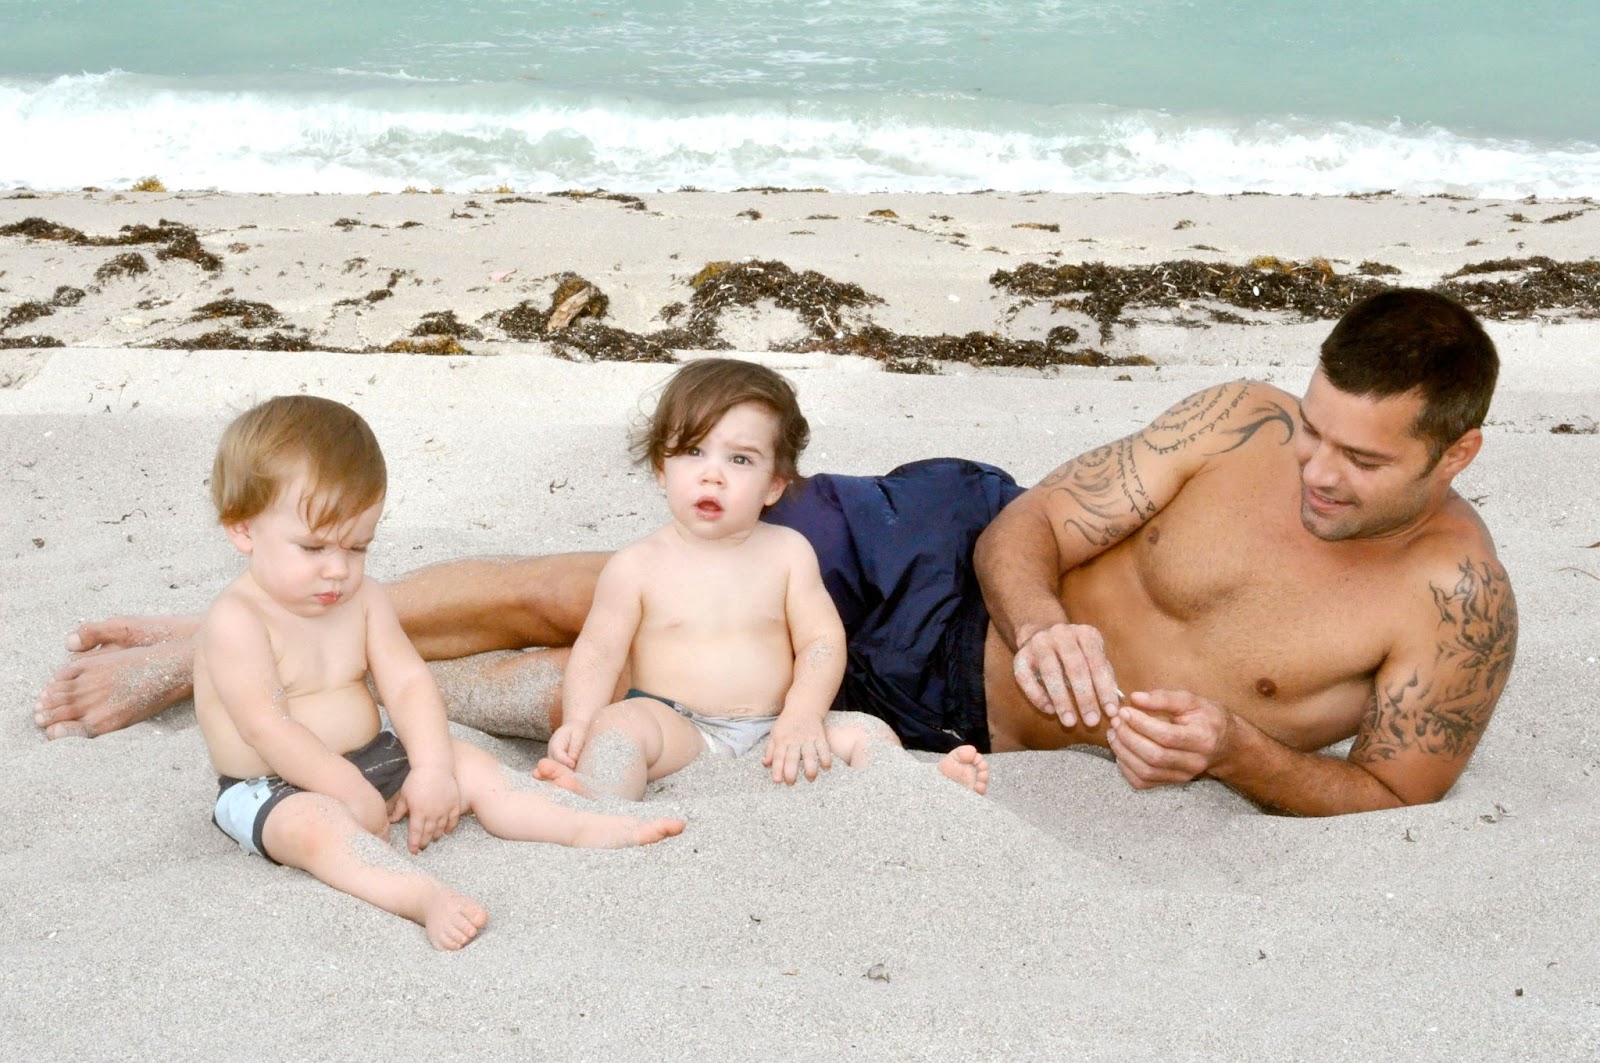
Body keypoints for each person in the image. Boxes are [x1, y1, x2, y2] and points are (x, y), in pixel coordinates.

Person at [35, 290, 1517, 817]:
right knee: (609, 585)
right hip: (938, 551)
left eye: (1362, 457)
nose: (1315, 469)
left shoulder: (1455, 608)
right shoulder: (1237, 423)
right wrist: (1044, 608)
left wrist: (1236, 753)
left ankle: (289, 652)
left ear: (1455, 453)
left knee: (600, 686)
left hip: (944, 711)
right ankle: (206, 634)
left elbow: (1396, 781)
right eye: (1318, 427)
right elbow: (1034, 521)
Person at [193, 396, 682, 951]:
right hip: (272, 786)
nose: (337, 569)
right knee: (317, 831)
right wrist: (345, 787)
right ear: (243, 531)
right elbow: (267, 726)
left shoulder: (364, 598)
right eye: (312, 547)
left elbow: (406, 683)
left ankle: (582, 821)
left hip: (373, 752)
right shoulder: (238, 619)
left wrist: (429, 769)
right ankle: (421, 897)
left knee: (471, 764)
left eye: (358, 547)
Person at [531, 359, 989, 799]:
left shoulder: (788, 553)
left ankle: (917, 791)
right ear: (660, 468)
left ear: (774, 485)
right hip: (678, 727)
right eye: (693, 451)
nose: (713, 475)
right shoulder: (635, 566)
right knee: (619, 729)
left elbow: (821, 642)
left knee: (867, 732)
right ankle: (599, 797)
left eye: (741, 460)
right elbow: (598, 653)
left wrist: (804, 715)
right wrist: (580, 721)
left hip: (779, 728)